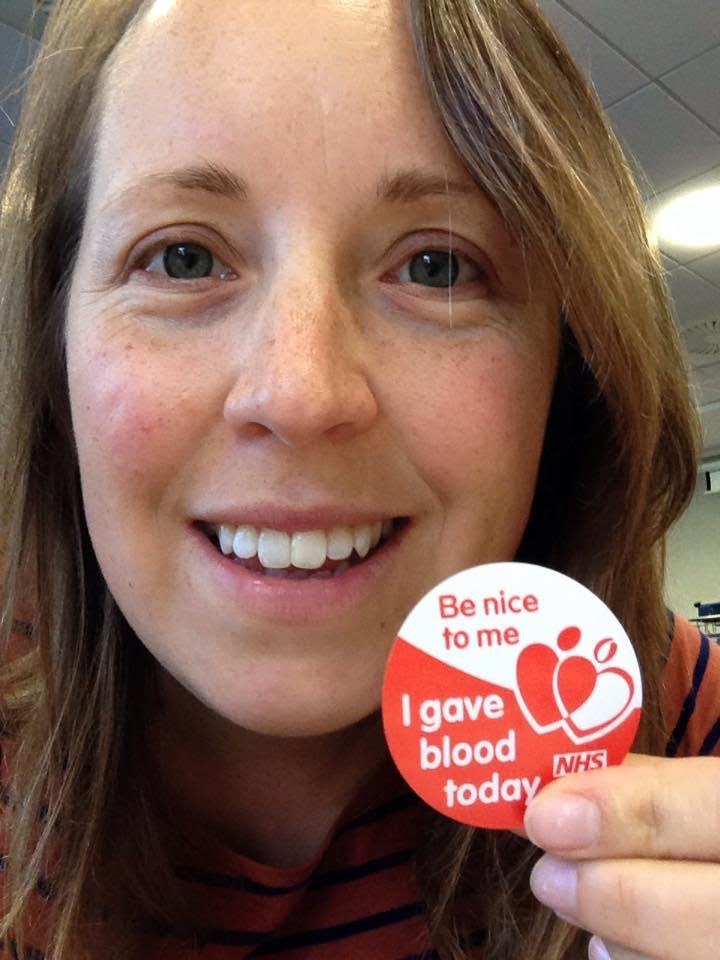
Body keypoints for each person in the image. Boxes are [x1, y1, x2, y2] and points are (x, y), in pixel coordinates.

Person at [0, 0, 718, 958]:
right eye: (183, 257)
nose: (299, 393)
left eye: (435, 266)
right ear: (55, 370)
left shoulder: (674, 725)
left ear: (569, 372)